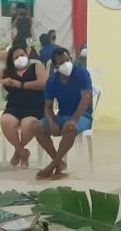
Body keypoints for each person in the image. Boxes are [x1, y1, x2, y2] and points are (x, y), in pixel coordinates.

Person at [34, 48, 94, 179]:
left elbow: (86, 98)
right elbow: (48, 107)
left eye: (68, 60)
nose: (66, 64)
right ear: (56, 66)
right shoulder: (52, 81)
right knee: (37, 127)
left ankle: (53, 165)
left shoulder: (82, 74)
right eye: (62, 62)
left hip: (83, 116)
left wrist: (74, 119)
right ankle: (59, 163)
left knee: (69, 127)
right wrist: (51, 122)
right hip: (62, 116)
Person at [0, 45, 48, 168]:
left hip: (34, 107)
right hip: (14, 107)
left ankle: (17, 152)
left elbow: (43, 83)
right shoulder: (8, 72)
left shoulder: (36, 67)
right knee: (5, 121)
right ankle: (22, 152)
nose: (20, 58)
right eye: (16, 57)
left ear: (27, 55)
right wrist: (4, 81)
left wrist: (21, 84)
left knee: (28, 124)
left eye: (22, 55)